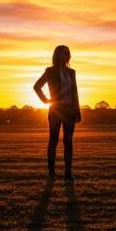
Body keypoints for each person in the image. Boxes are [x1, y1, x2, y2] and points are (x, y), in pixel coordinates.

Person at [33, 45, 82, 180]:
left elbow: (75, 92)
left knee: (68, 142)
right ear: (56, 55)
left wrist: (78, 110)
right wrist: (45, 100)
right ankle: (51, 173)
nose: (64, 56)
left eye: (66, 53)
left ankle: (68, 173)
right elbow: (37, 86)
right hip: (55, 110)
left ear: (68, 56)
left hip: (70, 111)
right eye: (61, 53)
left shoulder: (72, 72)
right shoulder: (50, 71)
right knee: (53, 140)